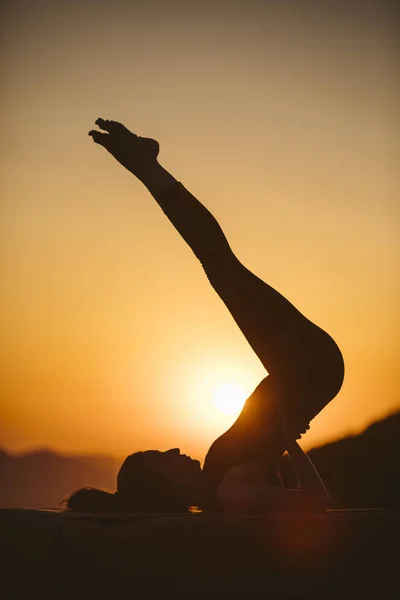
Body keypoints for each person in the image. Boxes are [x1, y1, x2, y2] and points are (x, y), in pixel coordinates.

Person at [62, 117, 344, 513]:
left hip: (301, 369)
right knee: (218, 263)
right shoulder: (226, 492)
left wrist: (280, 439)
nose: (174, 448)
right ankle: (146, 166)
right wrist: (288, 442)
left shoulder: (220, 481)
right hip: (307, 367)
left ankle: (146, 166)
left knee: (218, 264)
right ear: (164, 485)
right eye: (162, 456)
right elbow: (318, 504)